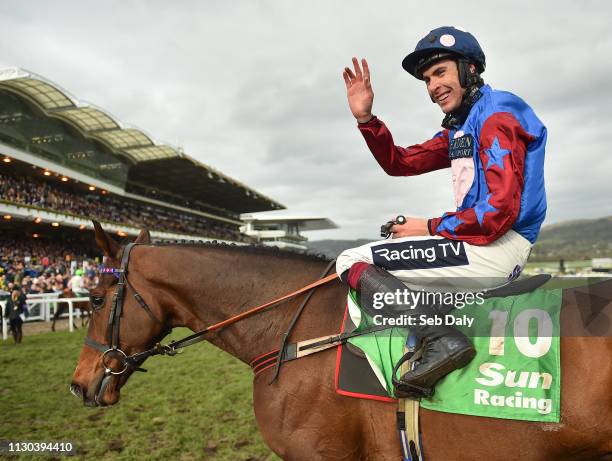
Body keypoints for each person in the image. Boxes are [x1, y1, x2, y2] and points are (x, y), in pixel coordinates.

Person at [338, 26, 547, 398]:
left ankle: (443, 342)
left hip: (497, 245)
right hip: (483, 243)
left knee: (350, 260)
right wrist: (367, 120)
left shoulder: (499, 113)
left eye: (440, 73)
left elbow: (498, 213)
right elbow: (399, 162)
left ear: (469, 70)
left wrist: (428, 226)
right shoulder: (459, 129)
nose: (432, 86)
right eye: (427, 79)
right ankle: (428, 340)